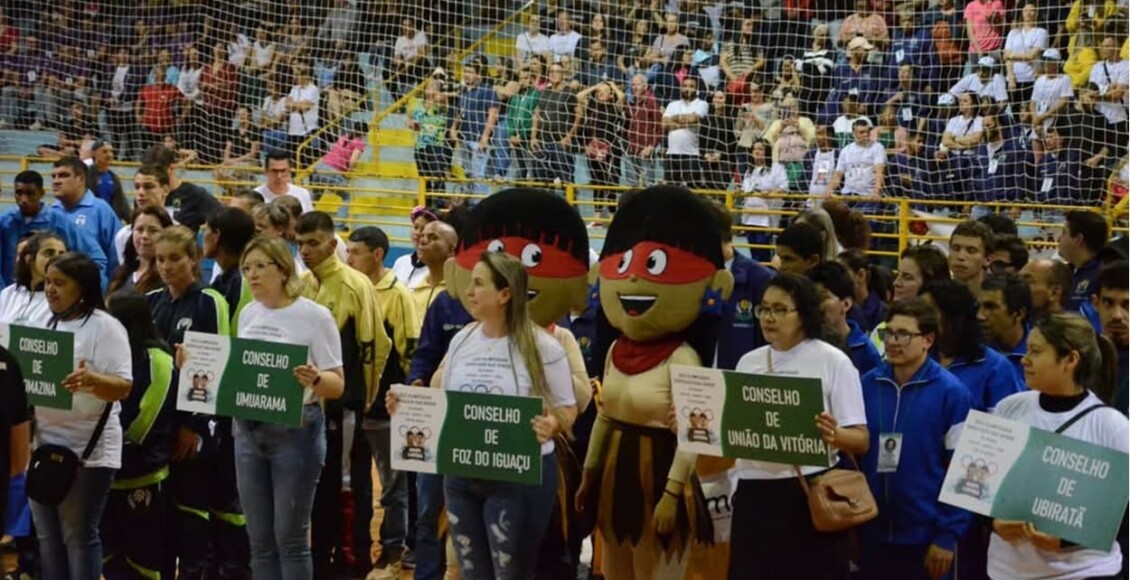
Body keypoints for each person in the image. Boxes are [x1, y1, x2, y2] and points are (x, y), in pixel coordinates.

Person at [390, 251, 577, 579]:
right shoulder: (462, 340)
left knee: (512, 573)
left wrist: (552, 423)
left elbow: (568, 408)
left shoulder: (543, 346)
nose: (469, 291)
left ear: (505, 294)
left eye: (478, 283)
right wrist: (407, 407)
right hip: (462, 474)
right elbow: (448, 402)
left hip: (519, 476)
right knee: (471, 571)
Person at [182, 234, 343, 579]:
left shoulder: (315, 316)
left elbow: (338, 384)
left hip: (296, 431)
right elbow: (239, 375)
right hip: (247, 430)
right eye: (246, 268)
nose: (251, 275)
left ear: (283, 270)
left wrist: (316, 378)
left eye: (259, 266)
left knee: (291, 539)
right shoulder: (248, 313)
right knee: (259, 542)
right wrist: (195, 364)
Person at [729, 273, 869, 579]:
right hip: (754, 493)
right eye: (764, 308)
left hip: (807, 492)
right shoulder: (748, 362)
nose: (768, 317)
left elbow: (861, 439)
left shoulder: (832, 361)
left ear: (804, 313)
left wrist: (834, 434)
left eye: (780, 310)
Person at [988, 314, 1128, 579]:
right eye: (1027, 350)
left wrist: (1066, 540)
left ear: (1070, 360)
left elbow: (1124, 515)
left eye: (1036, 351)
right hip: (1008, 571)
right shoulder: (1009, 407)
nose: (1024, 359)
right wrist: (992, 522)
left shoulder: (1112, 426)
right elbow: (979, 484)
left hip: (1084, 571)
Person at [295, 212, 391, 578]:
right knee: (315, 485)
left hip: (344, 407)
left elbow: (375, 347)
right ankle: (320, 559)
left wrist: (362, 400)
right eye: (300, 244)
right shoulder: (302, 285)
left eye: (313, 243)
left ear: (333, 244)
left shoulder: (355, 285)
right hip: (307, 408)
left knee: (348, 484)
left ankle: (353, 562)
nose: (306, 251)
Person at [147, 226, 242, 580]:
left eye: (175, 258)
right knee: (163, 514)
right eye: (160, 259)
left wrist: (194, 424)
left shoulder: (209, 301)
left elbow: (212, 365)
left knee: (192, 511)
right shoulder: (151, 301)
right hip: (160, 425)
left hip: (195, 425)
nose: (166, 266)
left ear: (194, 259)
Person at [33, 252, 133, 579]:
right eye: (48, 282)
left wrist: (92, 381)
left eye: (59, 283)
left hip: (88, 450)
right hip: (42, 444)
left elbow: (124, 387)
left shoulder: (106, 327)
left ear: (83, 288)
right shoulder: (41, 319)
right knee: (47, 537)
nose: (50, 289)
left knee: (77, 536)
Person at [858, 298, 972, 580]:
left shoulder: (952, 393)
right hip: (870, 530)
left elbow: (964, 470)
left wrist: (947, 536)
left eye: (903, 334)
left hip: (926, 537)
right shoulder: (867, 384)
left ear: (927, 340)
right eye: (888, 333)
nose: (892, 342)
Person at [345, 226, 419, 579]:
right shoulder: (351, 288)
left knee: (393, 486)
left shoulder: (398, 294)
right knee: (357, 483)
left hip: (385, 409)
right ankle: (359, 548)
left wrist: (401, 401)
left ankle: (393, 550)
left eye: (355, 252)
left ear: (377, 255)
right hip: (353, 405)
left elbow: (408, 352)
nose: (348, 258)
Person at [100, 291, 177, 580]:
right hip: (106, 474)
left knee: (143, 562)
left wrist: (108, 441)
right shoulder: (106, 356)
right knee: (110, 558)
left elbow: (144, 423)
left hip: (143, 474)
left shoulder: (158, 360)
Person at [921, 280, 1024, 413]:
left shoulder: (995, 367)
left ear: (954, 316)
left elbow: (1009, 420)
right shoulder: (917, 358)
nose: (920, 319)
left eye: (928, 312)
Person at [0, 170, 107, 287]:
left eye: (30, 193)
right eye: (19, 193)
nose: (24, 199)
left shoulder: (60, 222)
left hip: (52, 292)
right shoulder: (5, 223)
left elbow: (96, 258)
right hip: (13, 292)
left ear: (41, 193)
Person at [49, 157, 121, 285]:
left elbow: (116, 256)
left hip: (94, 289)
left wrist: (111, 289)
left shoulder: (101, 210)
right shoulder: (51, 212)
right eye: (53, 176)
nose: (56, 181)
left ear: (81, 179)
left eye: (63, 175)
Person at [808, 261, 883, 377]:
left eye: (823, 298)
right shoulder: (802, 344)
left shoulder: (865, 351)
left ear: (846, 304)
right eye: (811, 299)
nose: (816, 305)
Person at [0, 232, 63, 327]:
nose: (56, 259)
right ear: (29, 259)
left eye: (61, 254)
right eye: (49, 253)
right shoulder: (8, 294)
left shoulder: (64, 298)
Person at [108, 206, 173, 295]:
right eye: (139, 230)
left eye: (153, 231)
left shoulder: (168, 277)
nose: (144, 236)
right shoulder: (121, 275)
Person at [978, 273, 1032, 377]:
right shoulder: (972, 353)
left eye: (991, 307)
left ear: (1019, 314)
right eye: (978, 306)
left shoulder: (1045, 354)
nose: (980, 316)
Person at [1058, 210, 1108, 312]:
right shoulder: (1064, 272)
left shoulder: (1105, 278)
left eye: (1064, 233)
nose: (1059, 239)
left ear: (1078, 239)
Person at [391, 206, 439, 290]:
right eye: (416, 227)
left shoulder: (437, 269)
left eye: (424, 229)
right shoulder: (401, 262)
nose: (417, 233)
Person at [948, 220, 993, 297]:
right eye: (956, 248)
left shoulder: (1000, 298)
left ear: (987, 259)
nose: (960, 256)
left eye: (971, 251)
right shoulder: (934, 297)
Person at [1019, 259, 1072, 324]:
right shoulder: (1019, 324)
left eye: (1027, 282)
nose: (1018, 287)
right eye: (1018, 281)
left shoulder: (1072, 329)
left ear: (1054, 293)